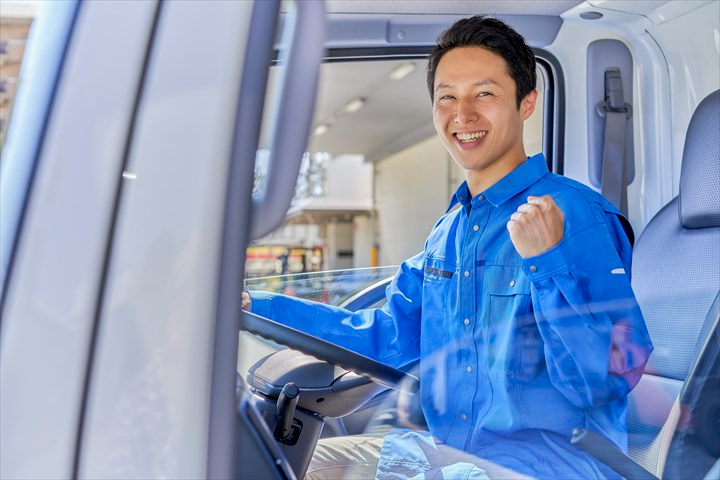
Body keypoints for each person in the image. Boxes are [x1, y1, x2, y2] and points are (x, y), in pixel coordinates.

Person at [242, 15, 654, 479]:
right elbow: (382, 335)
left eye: (484, 94)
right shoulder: (451, 229)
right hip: (451, 453)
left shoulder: (574, 214)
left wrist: (547, 261)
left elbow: (606, 381)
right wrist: (256, 305)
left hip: (549, 465)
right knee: (281, 461)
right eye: (447, 97)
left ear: (527, 103)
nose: (463, 115)